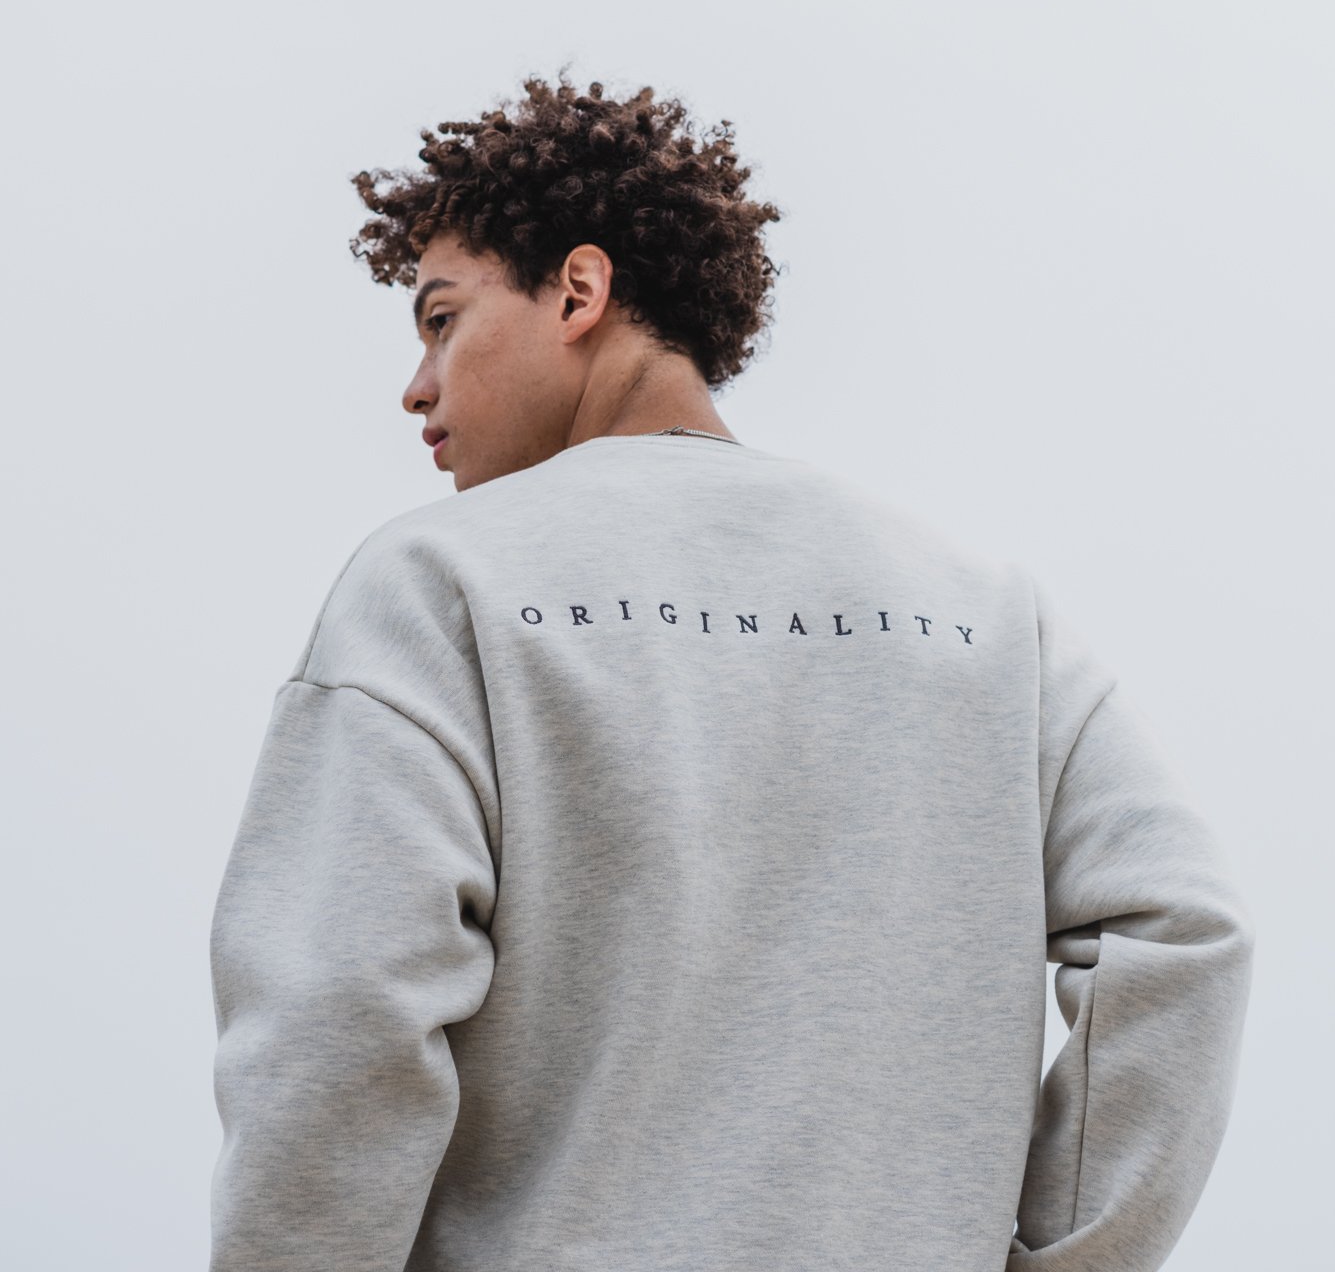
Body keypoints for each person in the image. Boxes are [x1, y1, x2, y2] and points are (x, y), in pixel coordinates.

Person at [208, 73, 1255, 1272]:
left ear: (579, 290)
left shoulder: (439, 583)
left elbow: (335, 1022)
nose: (417, 385)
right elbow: (1186, 932)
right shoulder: (982, 608)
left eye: (442, 318)